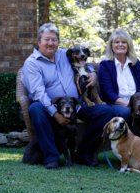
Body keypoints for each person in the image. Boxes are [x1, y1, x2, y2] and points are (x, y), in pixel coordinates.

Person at [21, 23, 128, 169]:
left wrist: (92, 73)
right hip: (51, 107)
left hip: (76, 104)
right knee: (35, 108)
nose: (51, 43)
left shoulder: (65, 55)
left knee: (106, 111)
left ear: (58, 42)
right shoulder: (32, 64)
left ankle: (83, 154)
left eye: (54, 40)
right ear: (39, 42)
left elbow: (84, 63)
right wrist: (55, 114)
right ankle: (51, 157)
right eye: (47, 39)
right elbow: (38, 93)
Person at [98, 29, 140, 108]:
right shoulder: (105, 65)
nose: (120, 44)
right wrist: (129, 104)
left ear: (128, 45)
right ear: (111, 46)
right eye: (117, 42)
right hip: (116, 105)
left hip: (137, 104)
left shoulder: (135, 63)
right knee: (126, 112)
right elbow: (108, 93)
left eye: (124, 42)